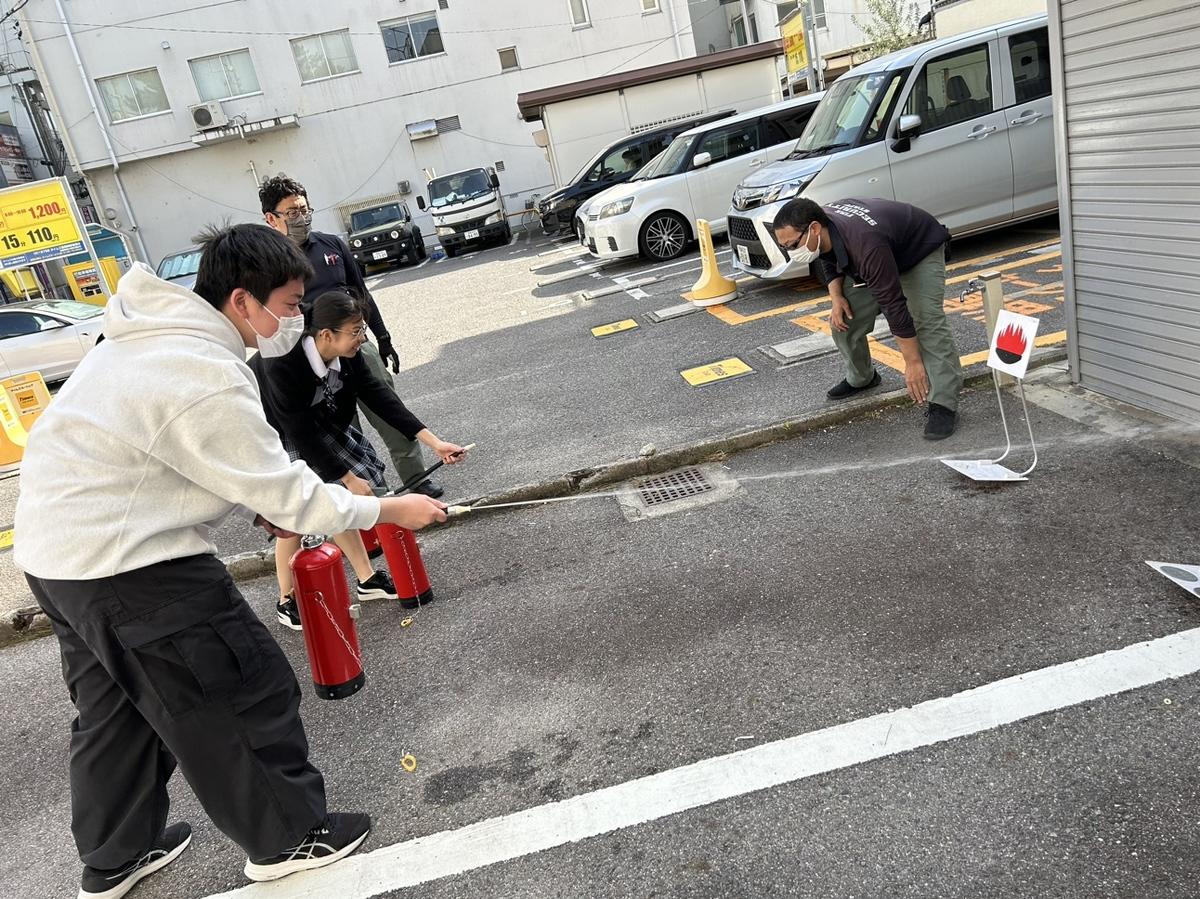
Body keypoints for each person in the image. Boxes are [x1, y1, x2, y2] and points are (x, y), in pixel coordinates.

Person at [12, 223, 448, 896]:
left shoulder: (150, 336)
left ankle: (113, 855)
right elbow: (291, 491)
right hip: (129, 561)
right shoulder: (203, 369)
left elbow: (160, 451)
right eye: (290, 301)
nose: (296, 317)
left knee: (116, 712)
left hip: (53, 553)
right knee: (237, 687)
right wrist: (390, 510)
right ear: (243, 300)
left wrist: (253, 495)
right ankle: (284, 836)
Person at [251, 290, 464, 630]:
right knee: (294, 509)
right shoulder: (283, 361)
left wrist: (434, 442)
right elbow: (299, 432)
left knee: (338, 502)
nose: (361, 338)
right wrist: (347, 477)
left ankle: (366, 580)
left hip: (317, 421)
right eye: (355, 331)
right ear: (326, 335)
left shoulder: (348, 356)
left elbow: (380, 397)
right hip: (275, 426)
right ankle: (286, 599)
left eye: (362, 328)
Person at [258, 174, 445, 497]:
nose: (301, 218)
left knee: (383, 406)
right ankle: (358, 498)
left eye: (304, 209)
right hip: (308, 361)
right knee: (335, 436)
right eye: (292, 213)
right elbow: (299, 429)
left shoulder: (331, 245)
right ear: (270, 218)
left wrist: (380, 338)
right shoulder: (265, 264)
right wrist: (345, 477)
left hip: (350, 342)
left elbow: (362, 295)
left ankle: (414, 482)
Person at [772, 197, 963, 440]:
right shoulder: (821, 230)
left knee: (926, 320)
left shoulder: (864, 243)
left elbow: (893, 304)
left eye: (792, 245)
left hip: (917, 250)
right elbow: (827, 257)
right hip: (881, 250)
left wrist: (913, 363)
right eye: (784, 247)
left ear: (815, 229)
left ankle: (944, 403)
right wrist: (836, 297)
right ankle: (862, 377)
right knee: (843, 319)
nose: (790, 252)